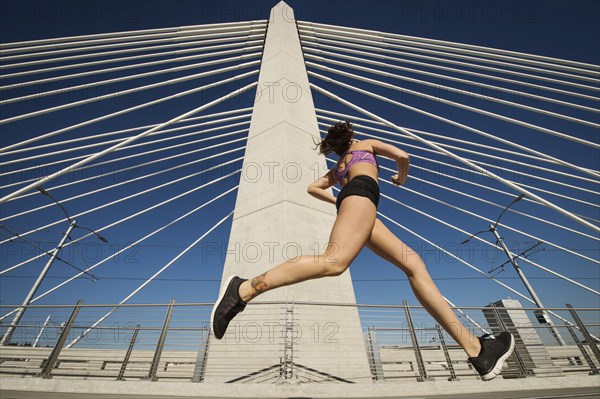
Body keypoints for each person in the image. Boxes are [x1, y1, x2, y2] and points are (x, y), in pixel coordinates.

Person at [211, 120, 514, 381]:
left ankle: (477, 351)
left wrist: (342, 199)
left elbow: (312, 188)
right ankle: (244, 289)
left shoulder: (340, 166)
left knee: (414, 265)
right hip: (362, 199)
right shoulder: (365, 144)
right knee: (334, 262)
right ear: (352, 136)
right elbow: (403, 156)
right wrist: (401, 177)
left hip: (359, 202)